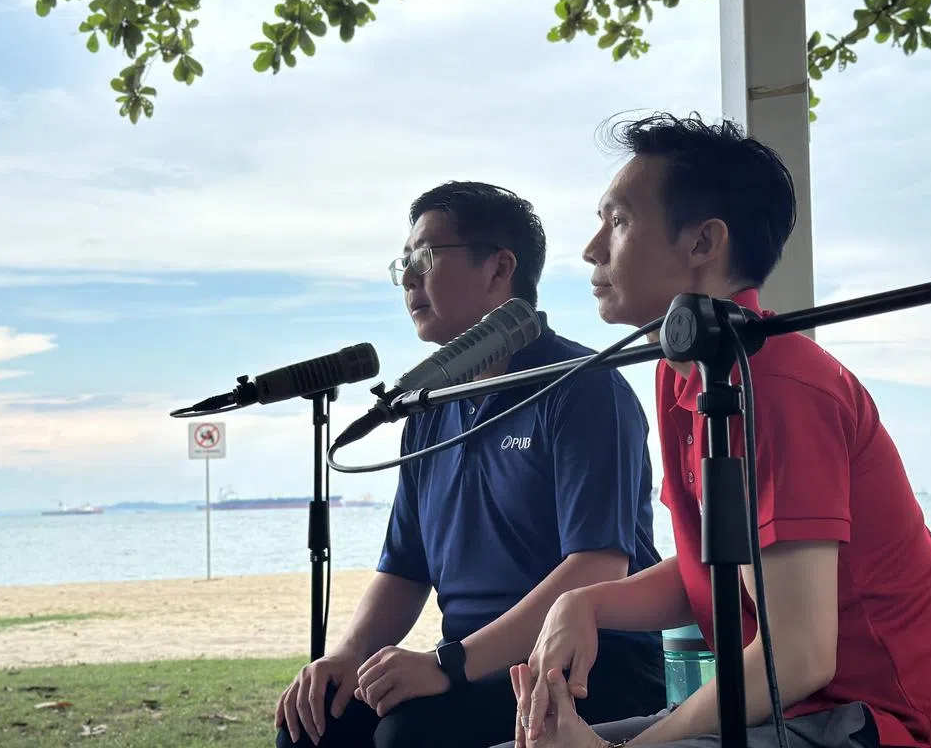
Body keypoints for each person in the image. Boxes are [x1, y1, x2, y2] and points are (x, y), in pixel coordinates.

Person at [499, 114, 931, 748]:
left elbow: (798, 658)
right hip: (799, 712)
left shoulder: (779, 382)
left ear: (703, 243)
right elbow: (718, 565)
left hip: (882, 726)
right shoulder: (685, 376)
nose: (593, 248)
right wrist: (585, 603)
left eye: (618, 221)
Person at [274, 180, 667, 748]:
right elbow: (406, 570)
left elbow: (596, 567)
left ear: (499, 268)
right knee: (310, 726)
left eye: (427, 257)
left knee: (407, 735)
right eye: (402, 263)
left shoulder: (580, 388)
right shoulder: (428, 408)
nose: (409, 278)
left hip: (590, 671)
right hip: (470, 667)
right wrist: (346, 657)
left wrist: (448, 666)